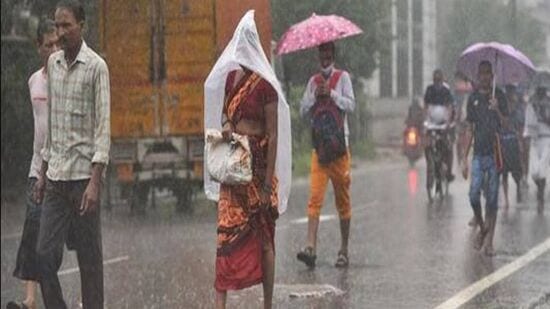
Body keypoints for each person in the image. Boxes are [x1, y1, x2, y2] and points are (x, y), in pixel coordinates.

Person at [203, 11, 291, 309]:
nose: (238, 51)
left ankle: (267, 303)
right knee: (225, 237)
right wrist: (227, 126)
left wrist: (267, 186)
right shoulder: (231, 79)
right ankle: (220, 303)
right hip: (233, 168)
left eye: (244, 45)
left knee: (265, 238)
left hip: (258, 171)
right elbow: (227, 116)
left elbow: (273, 134)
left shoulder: (265, 85)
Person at [33, 1, 111, 308]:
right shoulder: (53, 64)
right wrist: (41, 171)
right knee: (42, 257)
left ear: (82, 25)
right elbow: (52, 123)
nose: (60, 32)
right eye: (57, 26)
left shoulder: (96, 67)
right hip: (55, 179)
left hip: (82, 182)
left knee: (89, 263)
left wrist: (95, 182)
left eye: (66, 25)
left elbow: (103, 129)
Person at [6, 19, 58, 309]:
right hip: (36, 169)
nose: (52, 49)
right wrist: (38, 169)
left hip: (63, 171)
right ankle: (30, 301)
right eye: (47, 44)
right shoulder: (33, 81)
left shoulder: (67, 80)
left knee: (57, 244)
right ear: (38, 47)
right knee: (32, 233)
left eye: (56, 44)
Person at [297, 41, 355, 269]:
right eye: (322, 53)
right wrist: (315, 96)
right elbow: (302, 110)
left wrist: (332, 94)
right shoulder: (312, 82)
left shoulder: (343, 78)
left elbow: (351, 105)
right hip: (319, 150)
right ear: (318, 55)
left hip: (340, 150)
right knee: (314, 199)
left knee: (343, 201)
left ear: (333, 55)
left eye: (328, 53)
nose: (325, 57)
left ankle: (344, 249)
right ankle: (310, 247)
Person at [461, 60, 508, 256]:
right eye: (481, 73)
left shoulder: (500, 97)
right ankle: (482, 227)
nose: (485, 76)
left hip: (495, 153)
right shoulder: (472, 99)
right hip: (478, 155)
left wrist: (497, 108)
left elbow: (506, 125)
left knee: (492, 199)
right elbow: (470, 129)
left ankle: (489, 243)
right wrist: (464, 158)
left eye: (488, 73)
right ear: (478, 76)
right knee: (473, 195)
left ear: (492, 76)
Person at [424, 69, 455, 182]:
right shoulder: (429, 89)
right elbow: (426, 106)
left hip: (444, 123)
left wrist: (447, 122)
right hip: (431, 123)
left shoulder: (446, 90)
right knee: (427, 144)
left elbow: (450, 107)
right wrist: (425, 121)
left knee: (448, 147)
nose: (437, 82)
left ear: (442, 80)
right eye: (435, 80)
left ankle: (449, 171)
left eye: (439, 80)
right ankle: (430, 165)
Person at [524, 85, 550, 212]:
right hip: (534, 139)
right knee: (534, 172)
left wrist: (543, 113)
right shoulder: (531, 102)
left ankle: (540, 195)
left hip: (546, 138)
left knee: (542, 169)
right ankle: (539, 187)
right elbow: (528, 122)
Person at [501, 85, 525, 208]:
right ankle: (506, 200)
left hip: (514, 142)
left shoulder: (518, 110)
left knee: (516, 173)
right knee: (503, 173)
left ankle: (518, 187)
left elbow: (520, 127)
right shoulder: (500, 109)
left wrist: (520, 142)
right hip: (503, 142)